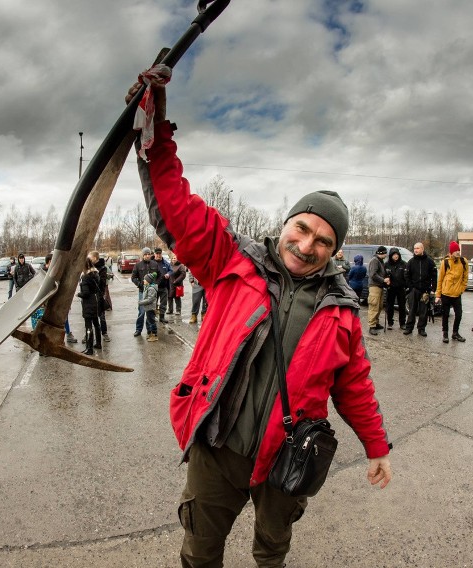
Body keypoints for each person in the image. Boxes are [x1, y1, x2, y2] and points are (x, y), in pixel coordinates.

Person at [128, 75, 391, 567]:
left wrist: (377, 446)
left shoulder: (341, 309)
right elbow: (177, 210)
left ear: (334, 251)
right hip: (218, 448)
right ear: (286, 223)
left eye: (324, 241)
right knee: (200, 552)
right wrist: (155, 132)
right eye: (303, 228)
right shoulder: (233, 259)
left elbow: (354, 384)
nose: (307, 245)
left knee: (272, 553)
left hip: (286, 459)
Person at [435, 241, 468, 344]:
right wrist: (438, 294)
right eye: (456, 251)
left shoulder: (463, 262)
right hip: (446, 294)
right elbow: (440, 279)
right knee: (445, 315)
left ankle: (455, 333)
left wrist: (461, 289)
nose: (458, 252)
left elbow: (465, 277)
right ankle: (445, 334)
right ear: (451, 252)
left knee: (459, 314)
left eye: (459, 250)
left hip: (457, 294)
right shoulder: (445, 262)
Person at [131, 247, 167, 336]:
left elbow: (160, 275)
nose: (147, 256)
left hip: (151, 292)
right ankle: (138, 329)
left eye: (148, 254)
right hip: (142, 291)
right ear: (143, 255)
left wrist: (156, 284)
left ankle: (149, 330)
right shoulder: (138, 265)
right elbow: (133, 277)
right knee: (142, 311)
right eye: (145, 254)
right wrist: (140, 284)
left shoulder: (154, 264)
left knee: (150, 311)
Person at [404, 242, 437, 337]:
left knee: (423, 311)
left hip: (425, 291)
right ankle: (409, 328)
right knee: (412, 310)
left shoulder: (429, 262)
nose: (415, 250)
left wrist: (433, 289)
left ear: (422, 249)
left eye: (418, 248)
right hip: (414, 290)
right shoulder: (411, 262)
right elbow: (406, 275)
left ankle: (421, 329)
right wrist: (411, 287)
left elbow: (434, 276)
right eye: (414, 248)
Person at [77, 256, 102, 355]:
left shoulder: (85, 277)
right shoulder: (96, 273)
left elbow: (86, 293)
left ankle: (89, 348)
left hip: (89, 303)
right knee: (96, 324)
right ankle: (99, 343)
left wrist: (78, 294)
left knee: (88, 326)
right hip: (96, 301)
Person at [366, 246, 389, 335]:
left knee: (379, 306)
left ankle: (376, 323)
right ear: (382, 253)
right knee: (374, 306)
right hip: (374, 287)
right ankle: (372, 326)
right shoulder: (375, 261)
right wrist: (383, 280)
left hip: (380, 286)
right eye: (385, 253)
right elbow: (373, 274)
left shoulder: (381, 261)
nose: (386, 254)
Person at [90, 251, 111, 342]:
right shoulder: (89, 266)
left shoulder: (103, 268)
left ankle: (104, 333)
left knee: (101, 315)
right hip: (90, 295)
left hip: (98, 294)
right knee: (90, 316)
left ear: (95, 258)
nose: (89, 259)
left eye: (90, 257)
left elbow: (102, 283)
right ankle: (89, 334)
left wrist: (93, 275)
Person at [384, 247, 407, 330]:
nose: (396, 256)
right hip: (391, 288)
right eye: (394, 255)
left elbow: (407, 276)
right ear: (391, 256)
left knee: (402, 306)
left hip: (401, 288)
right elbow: (384, 275)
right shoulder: (387, 264)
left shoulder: (403, 264)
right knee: (390, 306)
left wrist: (406, 285)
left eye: (397, 254)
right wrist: (386, 281)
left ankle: (402, 323)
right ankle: (390, 322)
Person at [137, 273, 158, 342]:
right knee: (149, 321)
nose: (143, 280)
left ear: (149, 281)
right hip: (148, 307)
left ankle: (154, 335)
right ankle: (151, 334)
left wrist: (141, 302)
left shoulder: (151, 288)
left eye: (145, 279)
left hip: (150, 308)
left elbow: (150, 300)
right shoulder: (147, 287)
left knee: (152, 322)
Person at [154, 247, 173, 322]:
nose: (158, 255)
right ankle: (153, 316)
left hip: (164, 287)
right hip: (154, 287)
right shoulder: (151, 263)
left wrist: (168, 274)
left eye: (160, 254)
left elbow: (171, 270)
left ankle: (162, 317)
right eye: (157, 254)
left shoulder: (165, 263)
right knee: (153, 303)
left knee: (163, 303)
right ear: (155, 254)